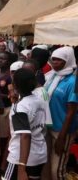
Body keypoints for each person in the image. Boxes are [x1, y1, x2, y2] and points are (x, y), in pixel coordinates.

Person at [2, 68, 47, 180]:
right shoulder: (39, 100)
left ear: (15, 85)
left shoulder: (20, 107)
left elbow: (25, 135)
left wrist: (22, 168)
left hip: (20, 158)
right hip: (39, 155)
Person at [44, 46, 78, 180]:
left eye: (59, 60)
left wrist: (62, 137)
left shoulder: (73, 82)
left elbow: (71, 112)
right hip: (48, 127)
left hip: (62, 131)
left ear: (68, 60)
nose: (55, 62)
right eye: (53, 59)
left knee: (57, 170)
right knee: (47, 166)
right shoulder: (52, 76)